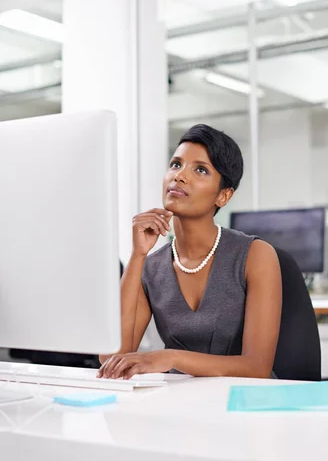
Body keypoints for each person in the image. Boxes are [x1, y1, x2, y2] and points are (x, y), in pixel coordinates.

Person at [98, 124, 282, 379]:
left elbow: (257, 368)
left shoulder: (256, 255)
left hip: (244, 403)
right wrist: (138, 255)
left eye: (200, 170)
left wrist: (170, 357)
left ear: (224, 196)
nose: (180, 176)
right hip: (180, 401)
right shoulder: (151, 267)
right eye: (176, 164)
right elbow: (111, 358)